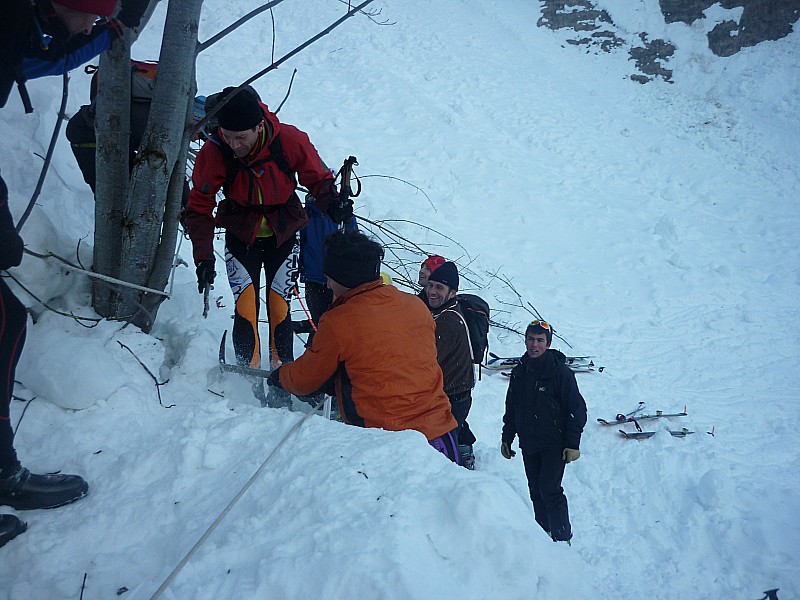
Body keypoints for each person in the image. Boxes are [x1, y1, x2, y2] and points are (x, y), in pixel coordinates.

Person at [0, 0, 150, 550]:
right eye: (90, 14)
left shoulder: (22, 25)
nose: (92, 25)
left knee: (7, 322)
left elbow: (42, 61)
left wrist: (112, 33)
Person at [184, 86, 348, 408]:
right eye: (227, 136)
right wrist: (203, 256)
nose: (235, 144)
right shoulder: (215, 151)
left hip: (282, 235)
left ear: (259, 125)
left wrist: (334, 204)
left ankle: (281, 384)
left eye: (241, 137)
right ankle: (247, 384)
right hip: (239, 234)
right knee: (246, 306)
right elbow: (199, 206)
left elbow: (318, 180)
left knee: (278, 306)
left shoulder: (289, 140)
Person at [266, 230, 459, 462]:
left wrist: (281, 377)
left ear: (341, 278)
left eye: (328, 277)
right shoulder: (416, 306)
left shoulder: (339, 320)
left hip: (386, 441)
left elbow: (306, 379)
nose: (326, 284)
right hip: (440, 434)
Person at [500, 320, 587, 544]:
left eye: (540, 340)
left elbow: (576, 409)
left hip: (554, 443)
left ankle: (562, 536)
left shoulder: (560, 373)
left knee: (550, 489)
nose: (534, 345)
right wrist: (507, 437)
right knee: (535, 490)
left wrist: (572, 443)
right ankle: (543, 534)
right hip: (530, 443)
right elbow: (512, 408)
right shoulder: (520, 372)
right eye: (530, 339)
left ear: (548, 344)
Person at [424, 261, 477, 469]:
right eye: (431, 285)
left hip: (453, 396)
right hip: (455, 392)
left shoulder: (447, 322)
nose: (432, 292)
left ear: (452, 293)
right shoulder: (444, 309)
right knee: (456, 426)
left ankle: (459, 473)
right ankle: (465, 448)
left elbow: (428, 358)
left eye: (439, 288)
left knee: (446, 442)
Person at [296, 192, 357, 345]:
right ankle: (314, 357)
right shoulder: (307, 214)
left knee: (332, 322)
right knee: (318, 321)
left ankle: (322, 356)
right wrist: (295, 271)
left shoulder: (342, 215)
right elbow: (299, 244)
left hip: (337, 279)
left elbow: (355, 243)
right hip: (313, 278)